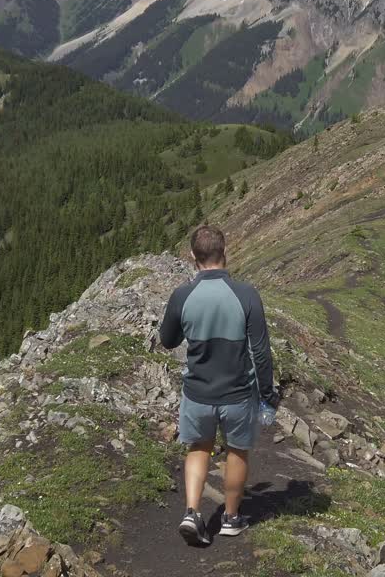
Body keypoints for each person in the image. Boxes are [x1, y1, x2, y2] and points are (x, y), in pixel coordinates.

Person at [159, 225, 280, 546]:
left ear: (192, 257)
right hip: (238, 394)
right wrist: (267, 395)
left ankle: (191, 512)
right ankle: (230, 518)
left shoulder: (183, 295)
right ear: (225, 251)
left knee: (198, 448)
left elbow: (167, 340)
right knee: (237, 451)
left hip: (198, 391)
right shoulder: (246, 295)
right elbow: (261, 352)